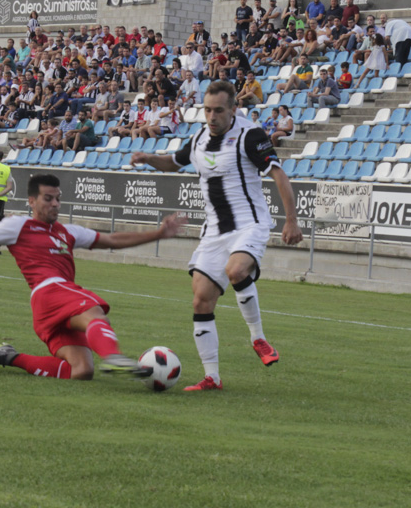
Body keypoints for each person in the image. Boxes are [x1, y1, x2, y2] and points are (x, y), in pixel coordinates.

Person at [0, 174, 186, 381]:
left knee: (81, 371)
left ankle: (9, 357)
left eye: (58, 199)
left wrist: (159, 233)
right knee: (93, 311)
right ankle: (113, 357)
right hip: (50, 292)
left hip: (49, 309)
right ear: (31, 201)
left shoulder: (68, 232)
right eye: (48, 199)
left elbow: (111, 240)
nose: (55, 204)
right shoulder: (18, 226)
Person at [130, 80, 303, 391]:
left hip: (249, 224)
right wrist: (148, 159)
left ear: (233, 109)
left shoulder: (250, 135)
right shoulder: (198, 139)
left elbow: (279, 173)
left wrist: (290, 220)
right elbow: (173, 163)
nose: (212, 117)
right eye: (207, 110)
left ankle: (259, 339)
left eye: (219, 110)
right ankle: (213, 377)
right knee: (201, 301)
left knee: (236, 270)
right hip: (213, 231)